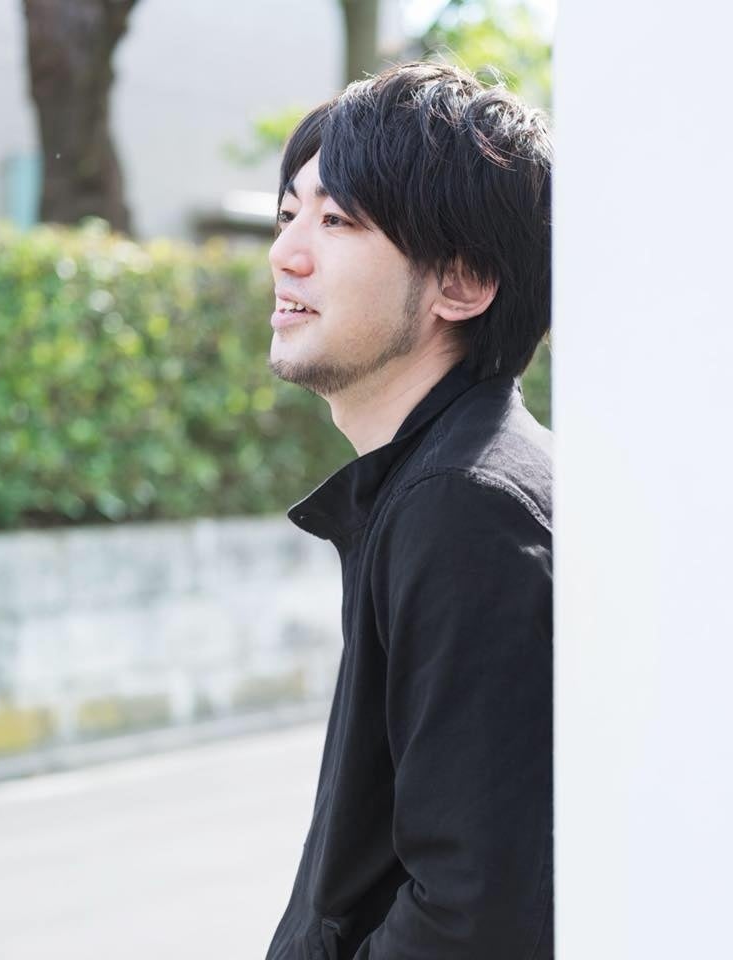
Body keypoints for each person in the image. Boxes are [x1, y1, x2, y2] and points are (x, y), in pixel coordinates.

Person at [264, 61, 553, 960]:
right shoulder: (444, 480)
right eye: (288, 215)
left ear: (461, 283)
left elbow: (474, 916)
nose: (286, 253)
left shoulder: (467, 508)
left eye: (337, 221)